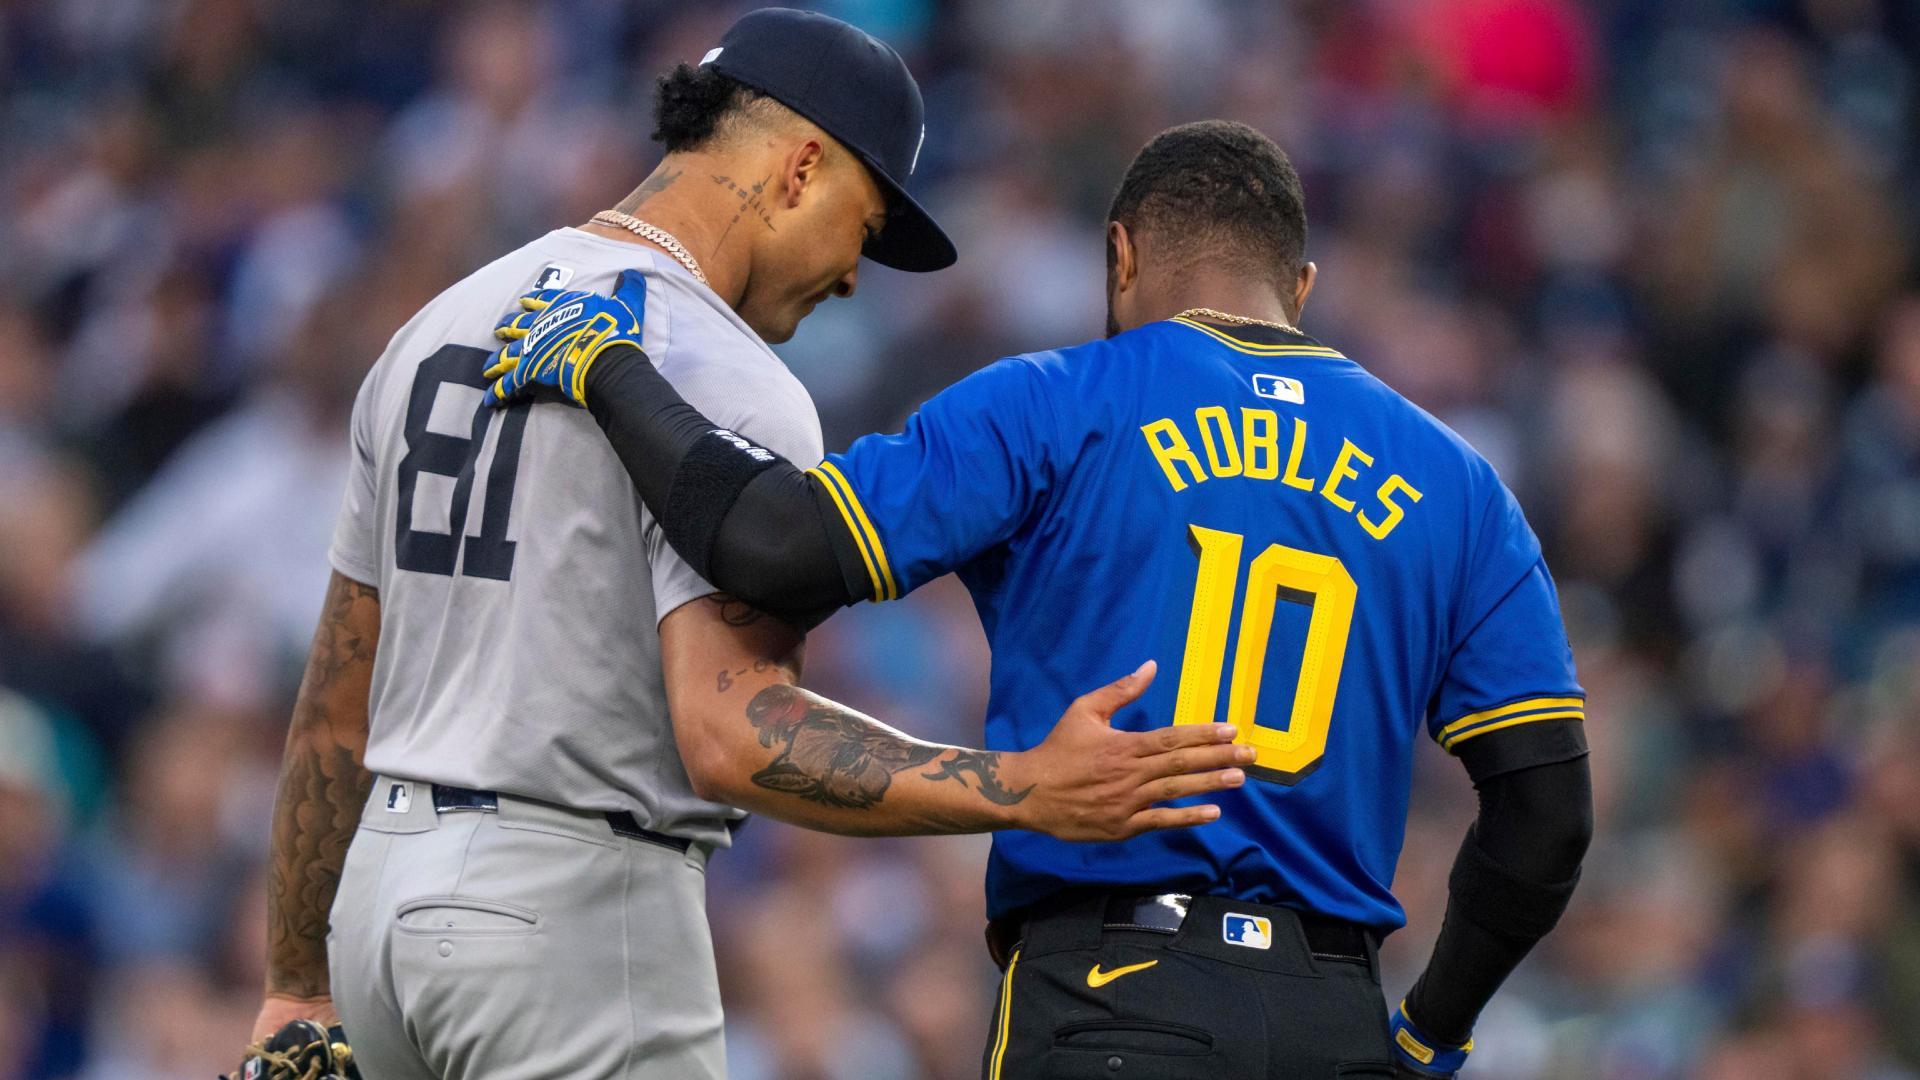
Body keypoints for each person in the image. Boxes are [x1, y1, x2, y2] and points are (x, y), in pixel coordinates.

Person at [244, 12, 1246, 1080]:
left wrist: (296, 986)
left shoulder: (441, 321)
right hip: (568, 907)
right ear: (802, 166)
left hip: (383, 907)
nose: (856, 275)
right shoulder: (728, 373)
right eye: (863, 227)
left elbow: (334, 703)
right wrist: (1022, 788)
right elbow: (734, 732)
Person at [481, 120, 1595, 1078]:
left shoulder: (1054, 404)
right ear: (1298, 288)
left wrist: (611, 369)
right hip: (1333, 1012)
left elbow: (774, 548)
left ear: (1119, 258)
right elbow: (1545, 823)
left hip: (1113, 992)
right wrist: (1424, 1038)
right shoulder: (1462, 484)